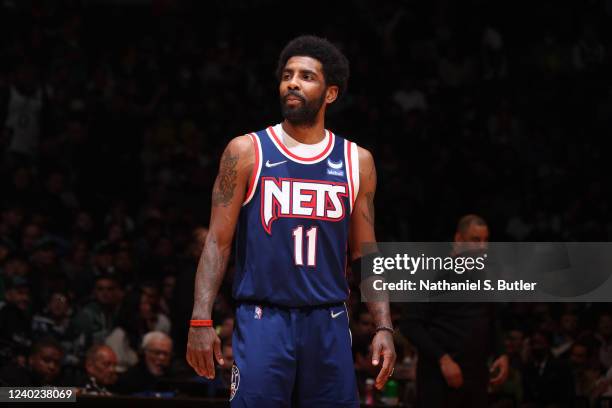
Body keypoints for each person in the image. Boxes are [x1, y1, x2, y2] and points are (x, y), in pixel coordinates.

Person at [186, 35, 396, 407]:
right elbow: (217, 242)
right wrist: (201, 319)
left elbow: (366, 253)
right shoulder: (246, 152)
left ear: (330, 93)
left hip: (328, 319)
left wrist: (383, 325)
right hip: (264, 318)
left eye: (306, 76)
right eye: (287, 75)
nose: (293, 82)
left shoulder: (357, 161)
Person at [401, 214, 509, 408]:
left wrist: (501, 352)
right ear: (459, 240)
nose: (483, 247)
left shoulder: (487, 275)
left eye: (486, 241)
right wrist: (443, 359)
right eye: (476, 240)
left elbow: (492, 318)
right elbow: (410, 324)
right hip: (440, 376)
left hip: (476, 376)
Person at [114, 331, 173, 395]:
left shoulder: (174, 378)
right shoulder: (128, 380)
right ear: (144, 353)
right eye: (157, 353)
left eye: (166, 354)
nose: (162, 358)